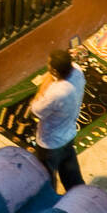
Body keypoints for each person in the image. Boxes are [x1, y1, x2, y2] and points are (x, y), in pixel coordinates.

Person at [29, 49, 85, 192]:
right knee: (72, 177)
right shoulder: (78, 72)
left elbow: (35, 111)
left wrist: (42, 86)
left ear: (54, 70)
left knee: (45, 178)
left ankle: (50, 203)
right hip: (68, 134)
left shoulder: (56, 93)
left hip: (50, 143)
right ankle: (81, 200)